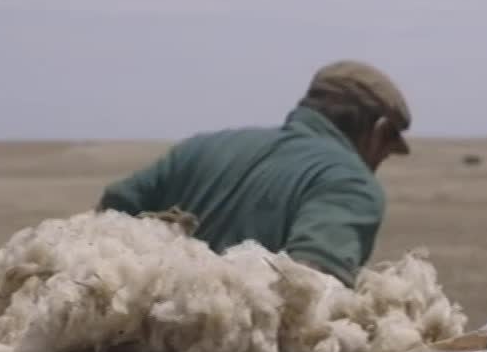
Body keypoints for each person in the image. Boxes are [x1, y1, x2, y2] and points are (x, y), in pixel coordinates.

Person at [97, 60, 412, 288]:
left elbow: (116, 204)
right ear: (379, 130)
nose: (380, 162)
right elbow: (310, 286)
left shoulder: (199, 147)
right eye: (387, 148)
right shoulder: (351, 183)